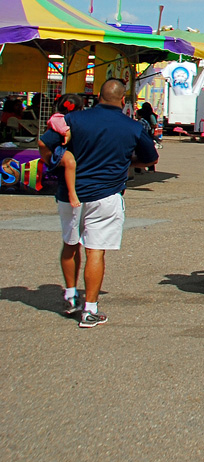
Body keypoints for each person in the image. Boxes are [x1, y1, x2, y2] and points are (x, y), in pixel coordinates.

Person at [38, 78, 159, 328]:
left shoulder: (74, 120)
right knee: (96, 250)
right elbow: (150, 158)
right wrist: (125, 163)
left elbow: (44, 142)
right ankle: (89, 310)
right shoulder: (133, 127)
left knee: (70, 243)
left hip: (69, 194)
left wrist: (54, 162)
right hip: (106, 194)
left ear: (99, 96)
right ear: (123, 100)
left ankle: (71, 295)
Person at [46, 94, 84, 207]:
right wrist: (67, 132)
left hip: (63, 148)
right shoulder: (58, 117)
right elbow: (61, 128)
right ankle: (72, 193)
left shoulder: (68, 118)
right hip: (60, 148)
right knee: (70, 163)